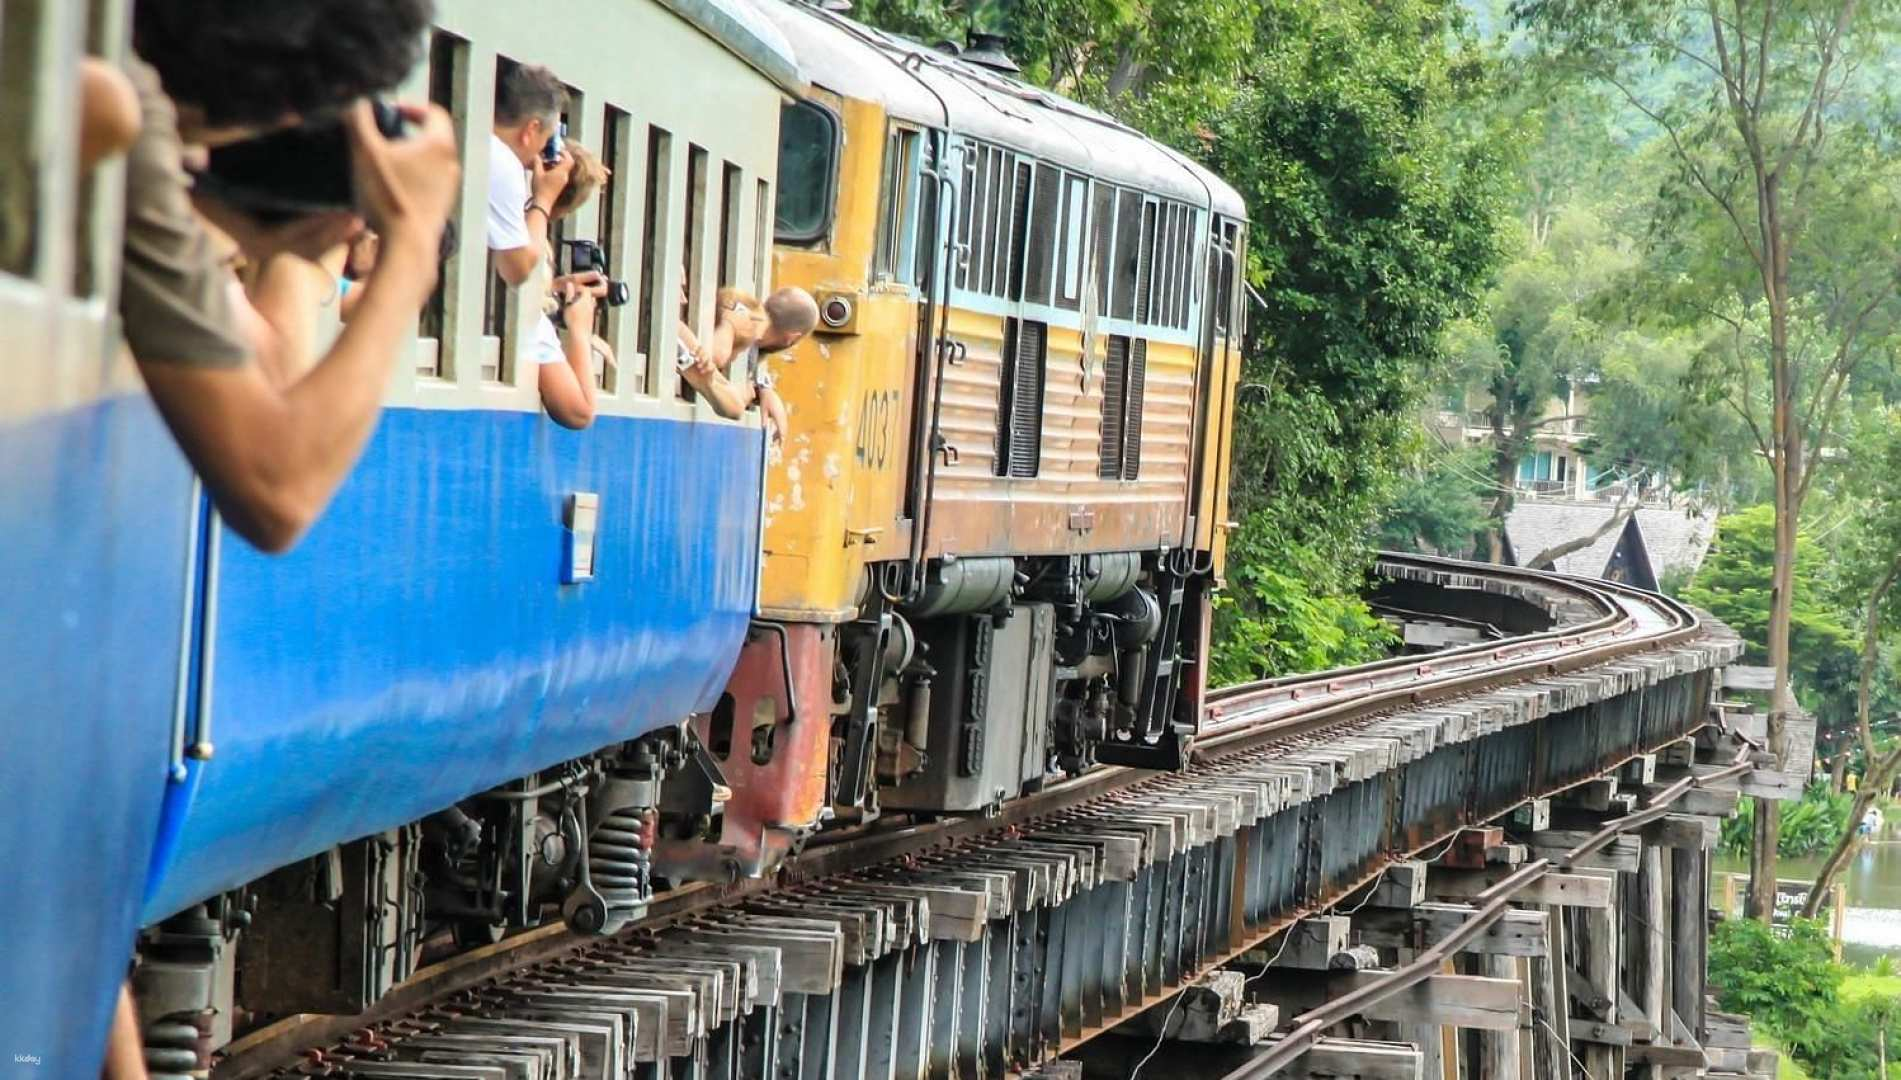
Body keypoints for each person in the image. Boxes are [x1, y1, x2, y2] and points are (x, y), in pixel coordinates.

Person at [120, 0, 458, 554]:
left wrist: (253, 232)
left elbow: (267, 365)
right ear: (287, 110)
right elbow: (277, 494)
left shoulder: (120, 72)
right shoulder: (124, 105)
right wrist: (413, 245)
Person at [487, 63, 570, 286]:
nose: (540, 152)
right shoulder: (503, 163)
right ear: (531, 130)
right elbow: (516, 268)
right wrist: (544, 199)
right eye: (546, 139)